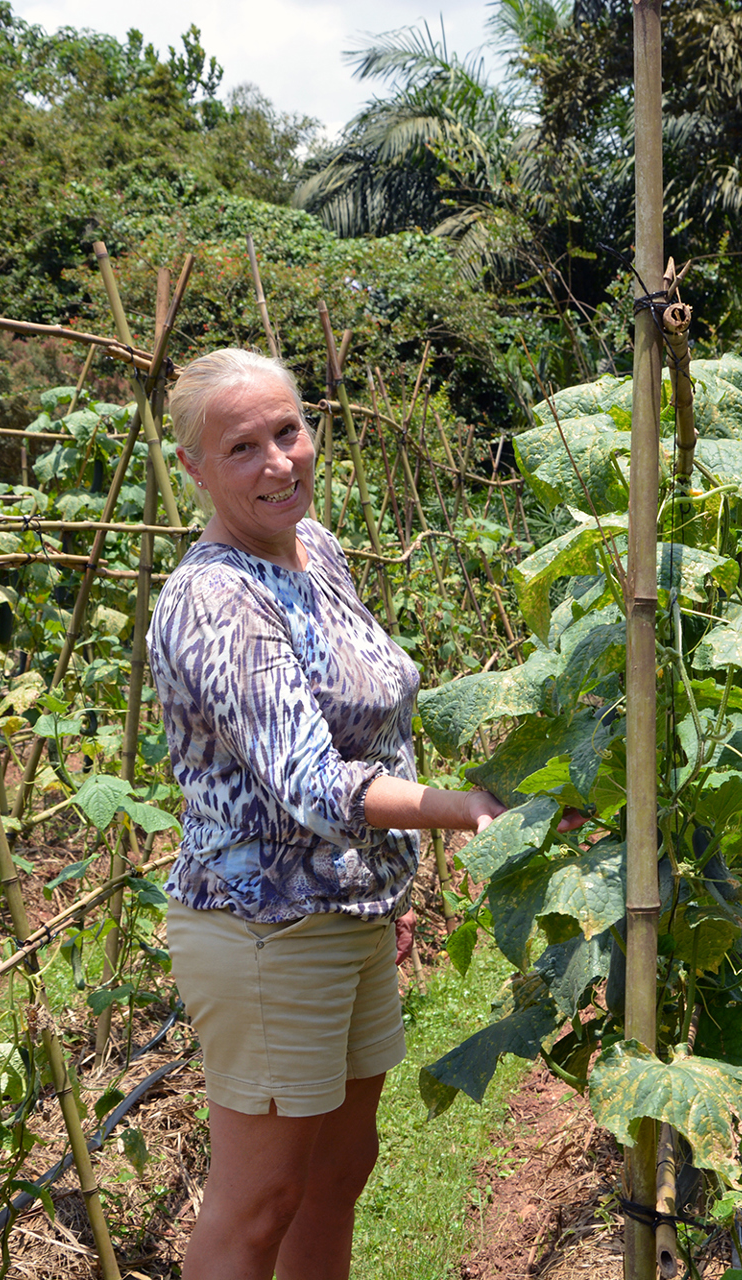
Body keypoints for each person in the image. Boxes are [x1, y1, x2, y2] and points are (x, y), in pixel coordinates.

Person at [146, 348, 506, 1280]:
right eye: (242, 448)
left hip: (348, 911)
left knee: (339, 1174)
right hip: (268, 929)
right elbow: (309, 781)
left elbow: (379, 720)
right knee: (258, 1203)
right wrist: (462, 810)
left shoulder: (318, 548)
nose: (279, 462)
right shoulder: (216, 599)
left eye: (289, 431)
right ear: (192, 467)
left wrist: (393, 879)